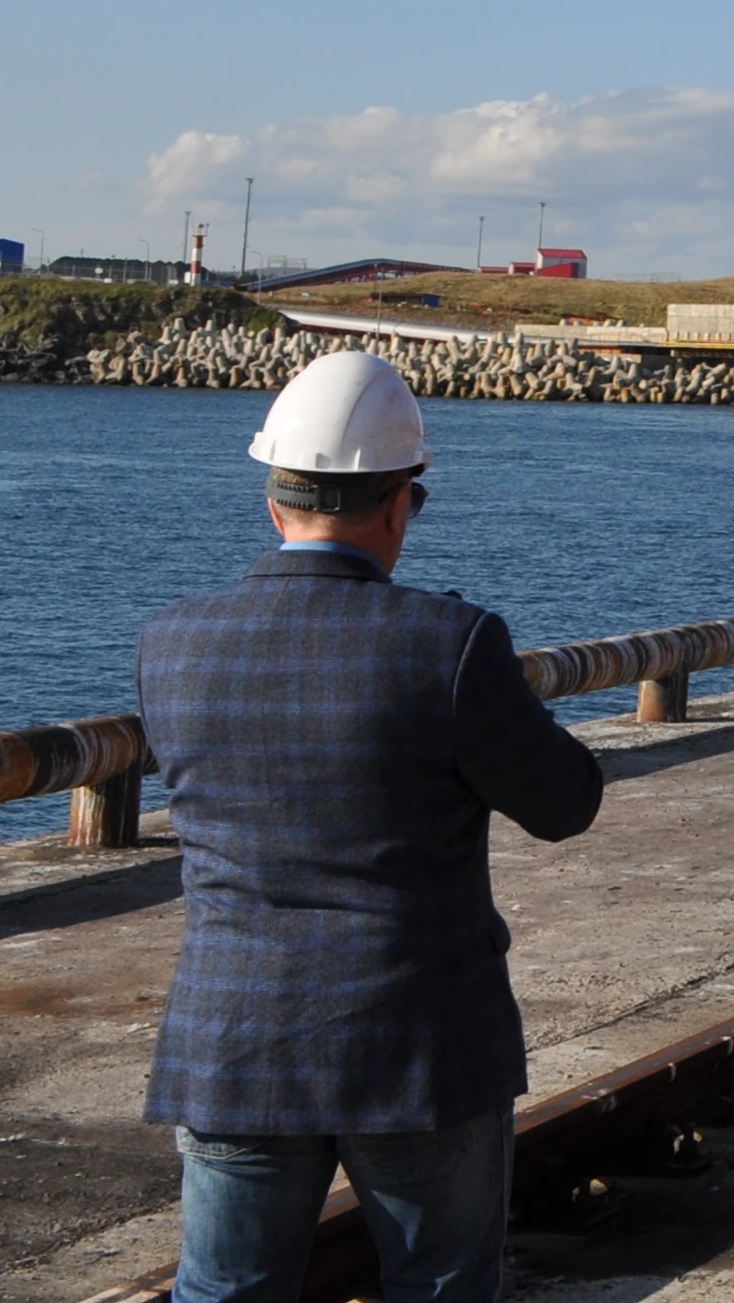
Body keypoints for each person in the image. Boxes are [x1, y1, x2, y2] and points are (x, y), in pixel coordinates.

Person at [137, 348, 607, 1303]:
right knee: (438, 1286)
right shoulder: (451, 643)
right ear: (398, 505)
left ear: (274, 504)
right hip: (420, 1047)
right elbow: (566, 804)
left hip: (235, 1038)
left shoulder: (170, 643)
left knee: (222, 1292)